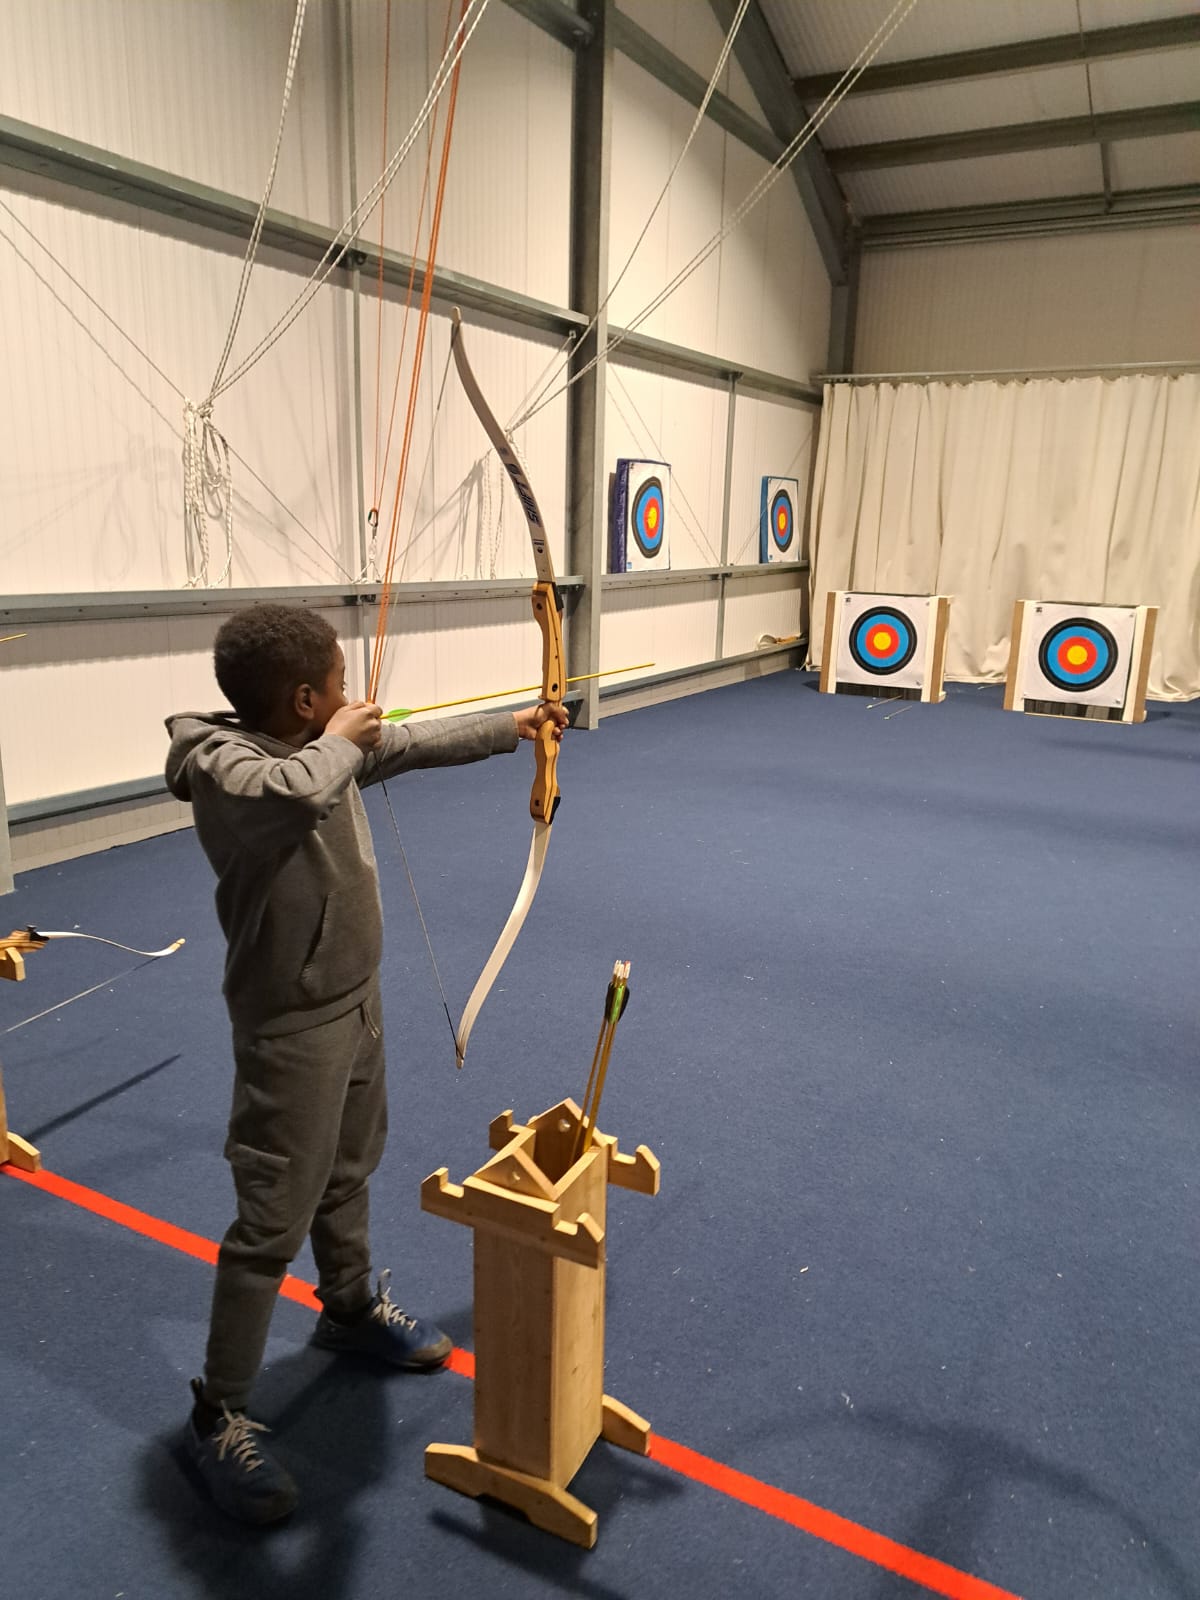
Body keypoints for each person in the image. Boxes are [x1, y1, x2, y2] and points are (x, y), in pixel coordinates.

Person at [164, 602, 568, 1523]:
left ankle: (347, 1308)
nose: (356, 699)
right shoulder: (228, 770)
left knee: (349, 1170)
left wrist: (513, 727)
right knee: (272, 1217)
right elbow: (296, 792)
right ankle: (217, 1413)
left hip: (356, 1001)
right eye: (340, 685)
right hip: (288, 1028)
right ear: (306, 701)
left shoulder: (321, 748)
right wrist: (341, 741)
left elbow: (403, 743)